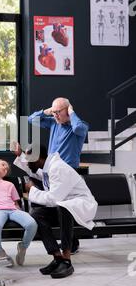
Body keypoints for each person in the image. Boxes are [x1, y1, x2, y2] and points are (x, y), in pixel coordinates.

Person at [17, 144, 97, 278]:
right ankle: (58, 257)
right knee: (37, 215)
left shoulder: (57, 168)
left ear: (38, 159)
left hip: (81, 206)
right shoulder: (48, 166)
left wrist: (32, 190)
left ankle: (67, 260)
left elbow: (53, 199)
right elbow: (36, 172)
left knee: (63, 207)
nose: (27, 163)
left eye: (28, 160)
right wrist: (20, 156)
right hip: (65, 206)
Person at [28, 97, 89, 253]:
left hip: (68, 175)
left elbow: (79, 129)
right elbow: (31, 120)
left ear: (67, 110)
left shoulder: (78, 126)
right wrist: (46, 111)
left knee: (64, 209)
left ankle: (69, 246)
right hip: (51, 171)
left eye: (58, 112)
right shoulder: (54, 123)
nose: (55, 115)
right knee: (51, 209)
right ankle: (71, 243)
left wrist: (71, 112)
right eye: (53, 112)